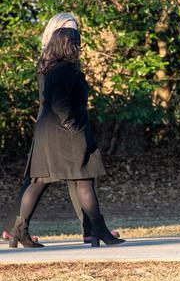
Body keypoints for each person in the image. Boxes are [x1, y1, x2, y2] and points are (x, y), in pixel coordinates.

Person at [9, 27, 124, 248]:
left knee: (40, 181)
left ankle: (20, 233)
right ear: (68, 45)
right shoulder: (65, 70)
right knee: (84, 179)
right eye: (76, 43)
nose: (79, 48)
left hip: (47, 134)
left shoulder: (49, 68)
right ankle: (98, 230)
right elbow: (59, 104)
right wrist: (73, 127)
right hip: (66, 135)